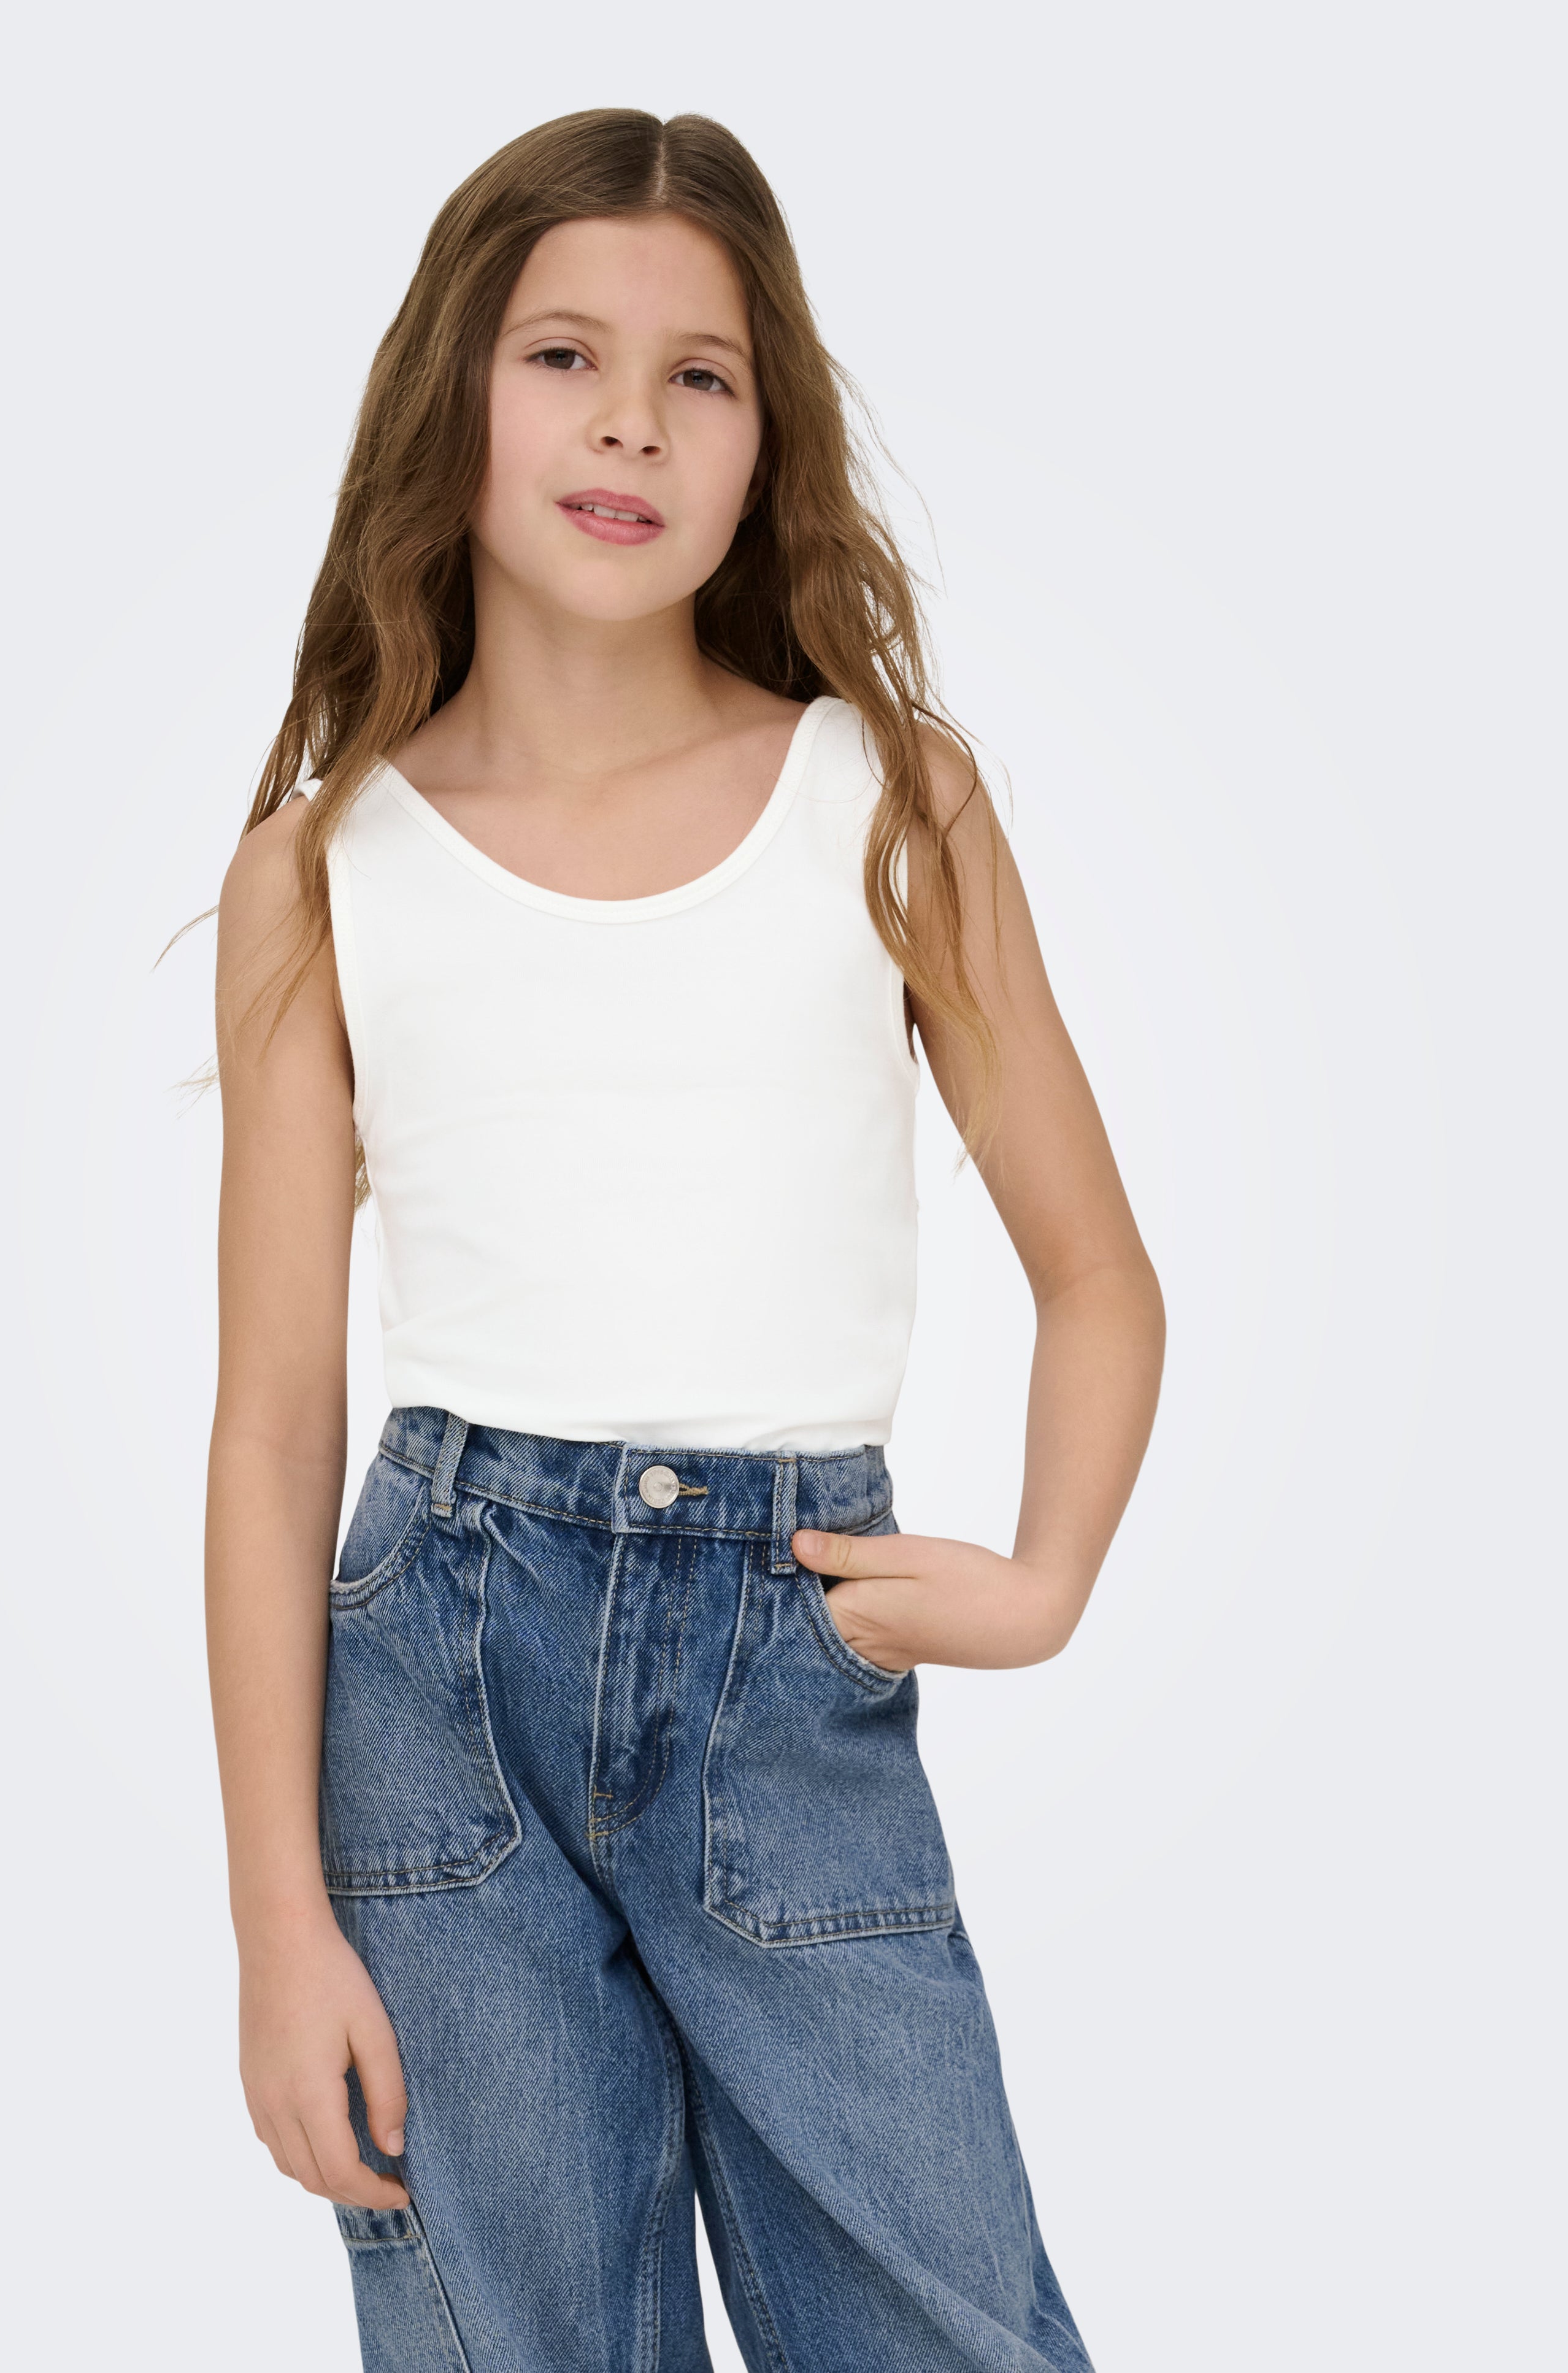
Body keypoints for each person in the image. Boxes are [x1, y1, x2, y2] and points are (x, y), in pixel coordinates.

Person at [206, 107, 1164, 2373]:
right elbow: (271, 1427)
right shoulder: (320, 873)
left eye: (698, 375)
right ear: (452, 395)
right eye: (564, 354)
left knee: (945, 2319)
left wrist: (1045, 1574)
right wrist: (275, 1923)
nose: (629, 419)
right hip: (438, 1683)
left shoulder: (890, 802)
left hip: (788, 1653)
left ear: (765, 445)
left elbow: (1099, 1274)